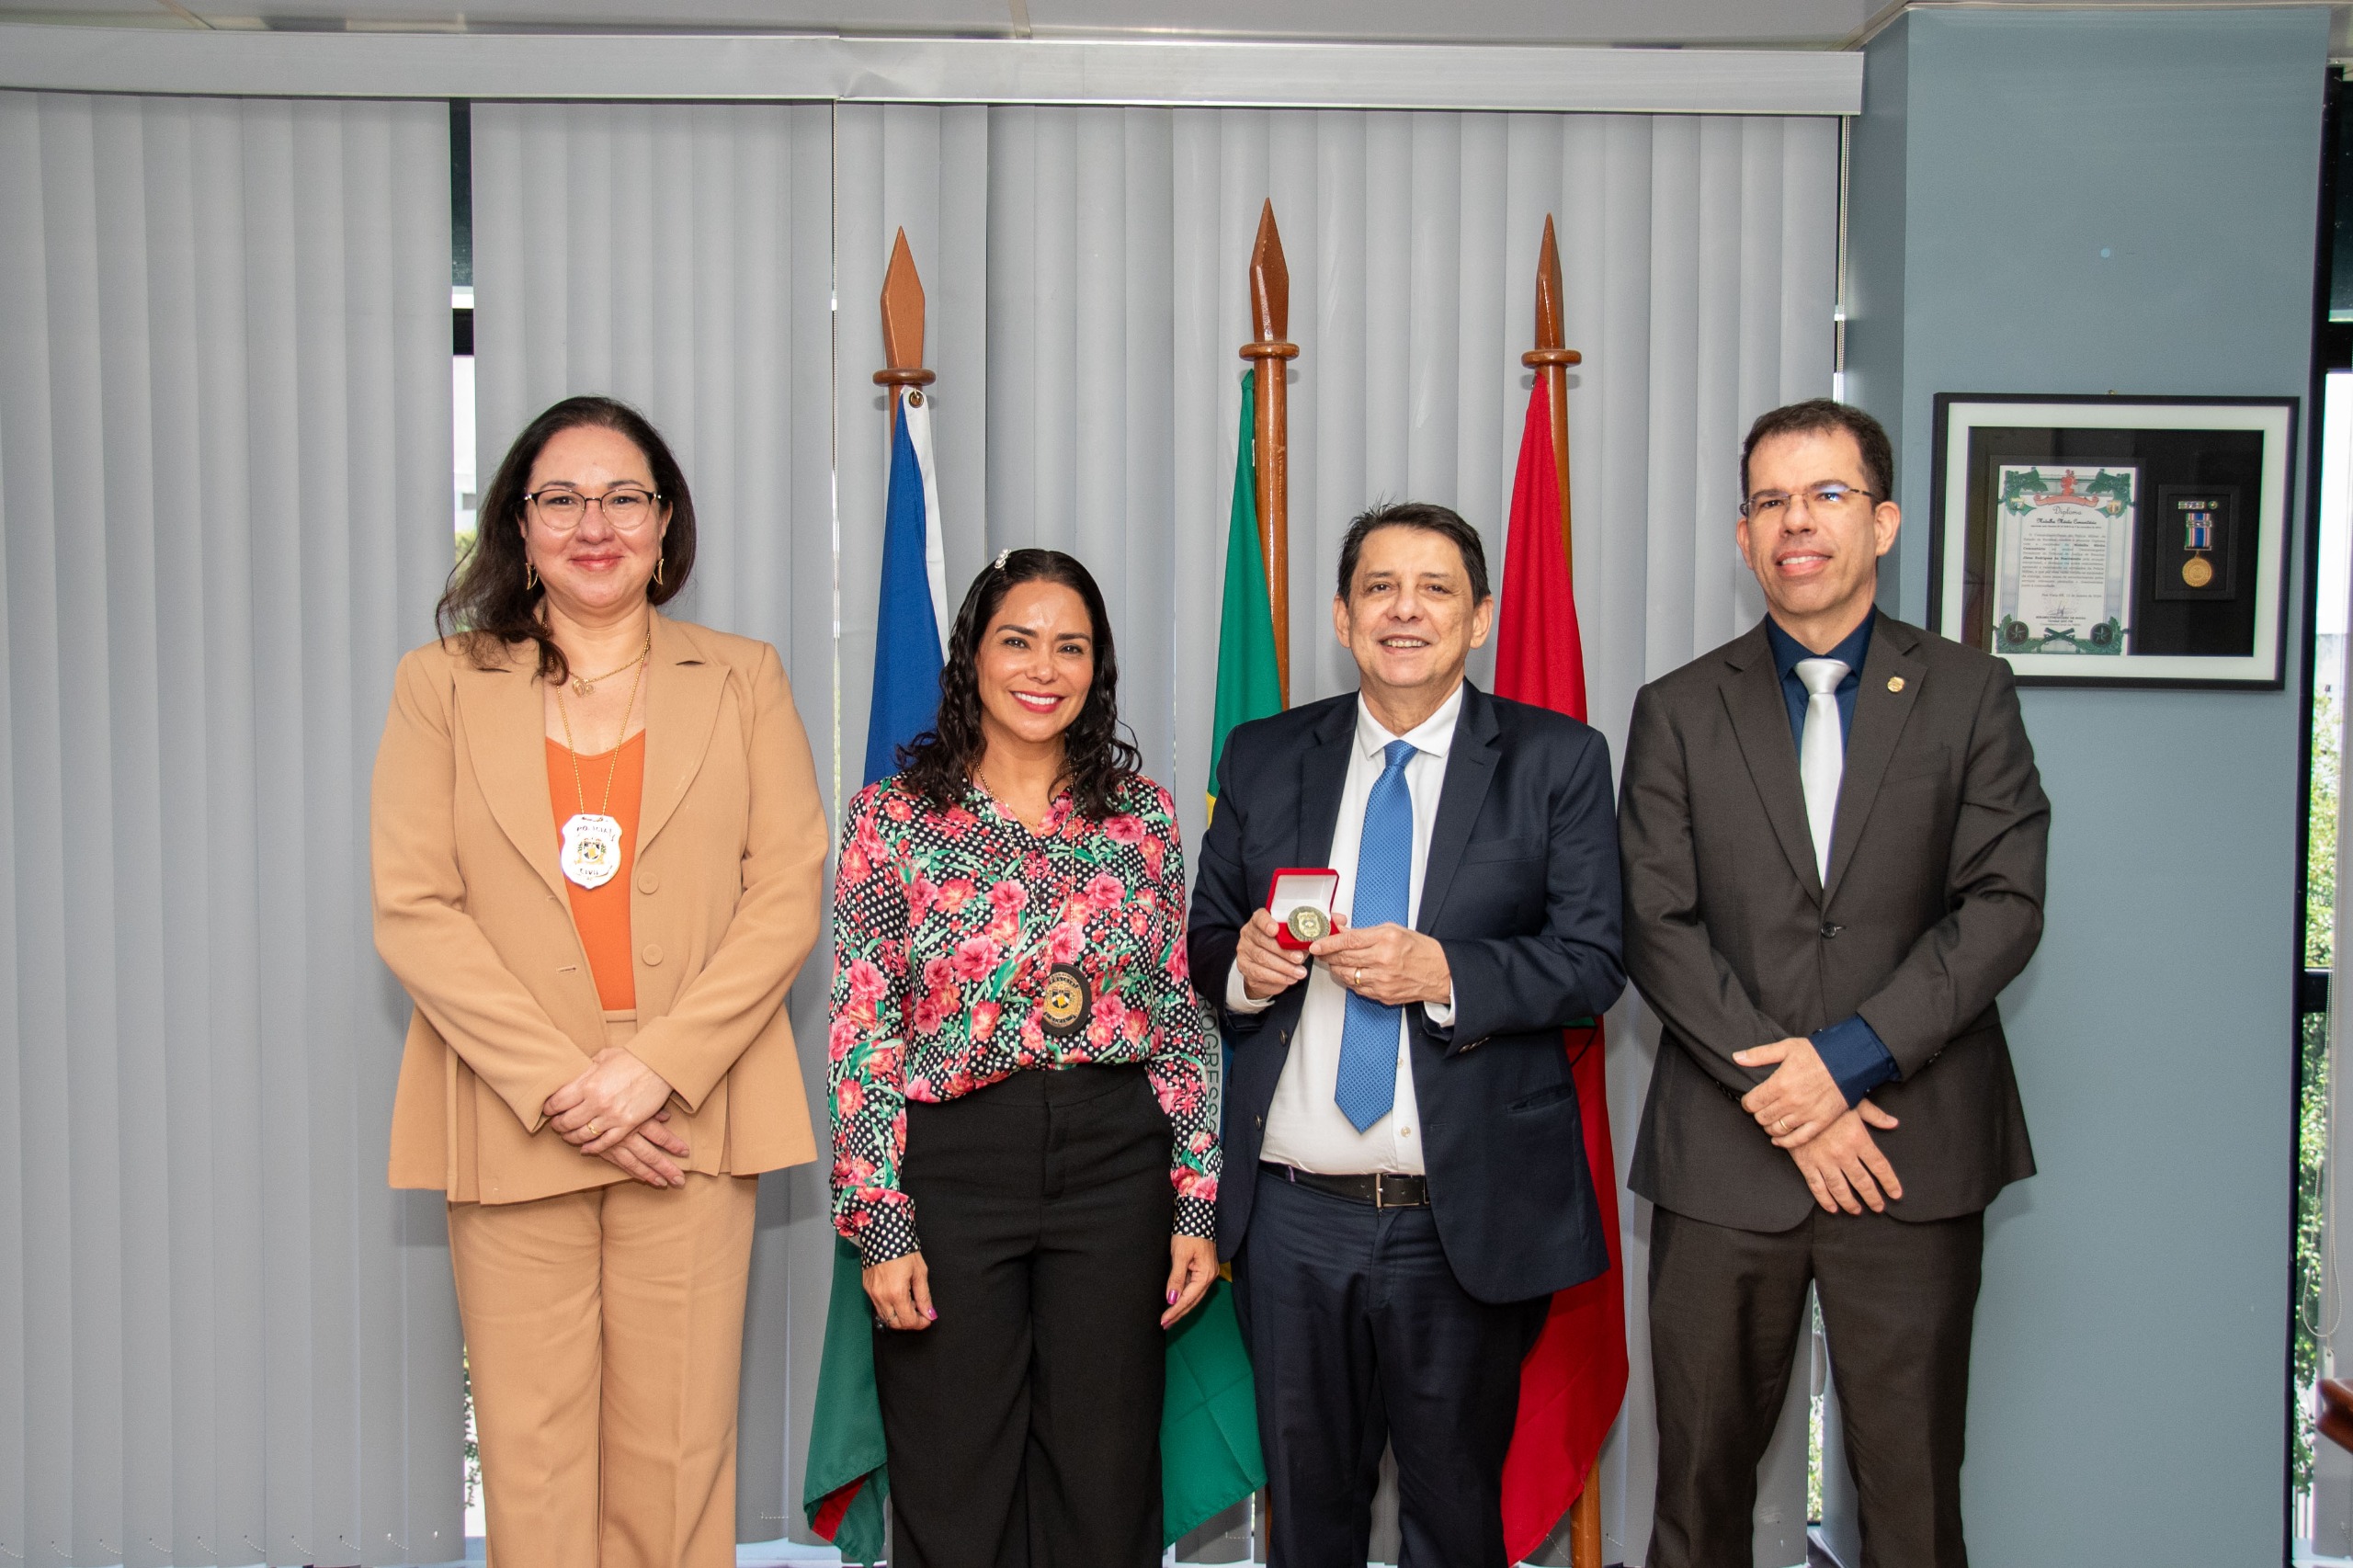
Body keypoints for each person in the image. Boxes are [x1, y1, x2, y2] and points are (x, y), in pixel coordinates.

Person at [371, 395, 827, 1568]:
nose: (594, 524)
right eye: (560, 498)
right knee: (531, 1449)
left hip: (690, 1108)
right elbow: (415, 908)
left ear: (664, 524)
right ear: (516, 527)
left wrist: (653, 1070)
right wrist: (573, 1083)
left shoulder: (743, 678)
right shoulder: (441, 685)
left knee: (677, 1452)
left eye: (623, 497)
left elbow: (786, 890)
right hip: (513, 1104)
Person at [1620, 398, 2049, 1566]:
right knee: (1695, 1499)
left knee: (1911, 1502)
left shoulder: (1971, 691)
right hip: (1724, 1159)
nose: (1794, 521)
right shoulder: (1676, 708)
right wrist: (1792, 1090)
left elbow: (2003, 904)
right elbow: (1654, 922)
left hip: (1912, 1149)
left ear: (1886, 520)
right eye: (1768, 500)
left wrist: (1844, 1062)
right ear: (1742, 534)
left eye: (1824, 495)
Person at [1188, 502, 1625, 1568]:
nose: (1404, 609)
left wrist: (1449, 972)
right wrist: (1241, 971)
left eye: (1434, 588)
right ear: (1341, 617)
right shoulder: (1263, 754)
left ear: (1477, 618)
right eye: (1379, 587)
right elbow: (1204, 941)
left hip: (1459, 1220)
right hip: (1292, 1218)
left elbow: (1596, 959)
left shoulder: (1555, 758)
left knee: (1454, 1518)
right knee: (1310, 1516)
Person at [828, 547, 1223, 1568]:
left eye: (1070, 645)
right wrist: (878, 1215)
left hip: (1113, 1161)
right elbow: (864, 1024)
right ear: (973, 655)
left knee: (1104, 1479)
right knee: (954, 1482)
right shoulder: (893, 818)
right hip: (955, 1166)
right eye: (1017, 639)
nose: (1043, 667)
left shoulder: (1141, 816)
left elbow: (1173, 1012)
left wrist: (1192, 1197)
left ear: (1097, 669)